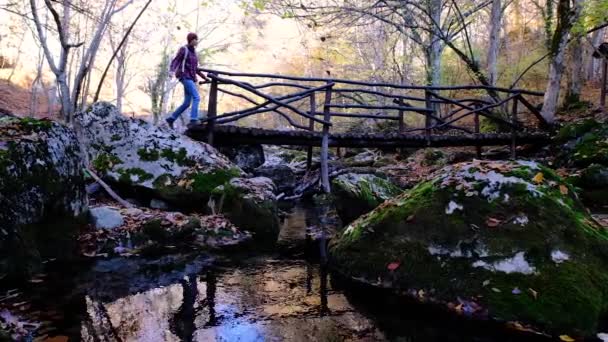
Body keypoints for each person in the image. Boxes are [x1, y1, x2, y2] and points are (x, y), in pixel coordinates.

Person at [165, 32, 210, 128]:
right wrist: (171, 71)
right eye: (194, 39)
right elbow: (176, 60)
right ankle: (193, 119)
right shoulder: (184, 49)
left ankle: (171, 119)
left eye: (197, 39)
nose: (196, 41)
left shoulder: (194, 53)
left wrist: (204, 77)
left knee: (186, 103)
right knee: (196, 97)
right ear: (190, 40)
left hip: (191, 78)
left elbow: (195, 68)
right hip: (184, 76)